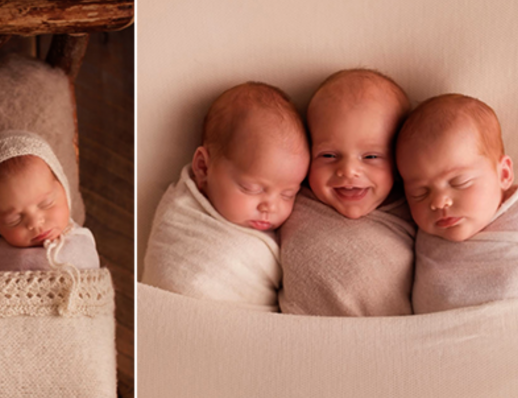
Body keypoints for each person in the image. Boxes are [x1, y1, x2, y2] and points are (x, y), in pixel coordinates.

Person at [142, 82, 310, 310]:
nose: (270, 206)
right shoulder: (181, 212)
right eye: (252, 188)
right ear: (203, 168)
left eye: (288, 194)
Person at [279, 69, 416, 316]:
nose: (348, 170)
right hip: (299, 339)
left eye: (371, 156)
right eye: (328, 155)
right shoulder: (288, 200)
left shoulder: (414, 208)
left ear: (399, 161)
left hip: (388, 340)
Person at [396, 94, 517, 313]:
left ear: (504, 173)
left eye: (459, 182)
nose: (439, 202)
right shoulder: (411, 229)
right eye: (419, 193)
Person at [0, 130, 100, 272]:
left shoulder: (81, 239)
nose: (35, 223)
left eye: (46, 204)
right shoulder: (0, 254)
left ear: (64, 189)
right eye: (13, 219)